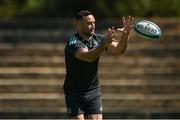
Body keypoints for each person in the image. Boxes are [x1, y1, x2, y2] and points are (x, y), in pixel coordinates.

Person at [64, 10, 134, 120]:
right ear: (78, 25)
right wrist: (103, 44)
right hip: (75, 93)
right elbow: (89, 57)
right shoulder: (73, 42)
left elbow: (119, 50)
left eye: (94, 22)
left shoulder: (99, 39)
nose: (93, 26)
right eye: (89, 23)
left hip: (93, 92)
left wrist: (125, 36)